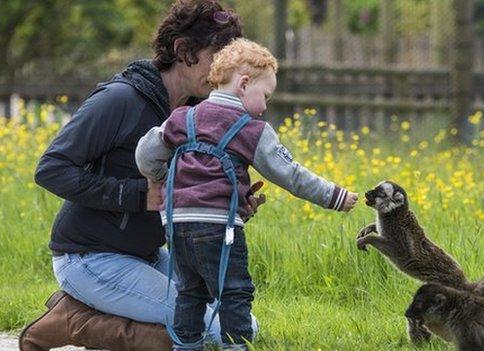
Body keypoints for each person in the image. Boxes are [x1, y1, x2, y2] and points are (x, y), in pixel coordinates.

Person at [20, 1, 264, 350]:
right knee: (208, 333)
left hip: (147, 254)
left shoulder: (199, 114)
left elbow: (189, 191)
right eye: (218, 55)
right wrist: (137, 195)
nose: (226, 69)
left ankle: (94, 314)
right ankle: (73, 322)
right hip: (90, 258)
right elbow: (51, 169)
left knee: (242, 326)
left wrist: (231, 200)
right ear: (183, 50)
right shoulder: (121, 99)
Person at [134, 38, 359, 350]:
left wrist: (165, 177)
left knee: (189, 291)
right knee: (234, 291)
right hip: (218, 228)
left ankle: (185, 346)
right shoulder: (252, 130)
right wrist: (334, 196)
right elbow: (289, 174)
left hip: (177, 223)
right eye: (264, 95)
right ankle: (237, 346)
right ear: (243, 84)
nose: (265, 105)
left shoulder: (183, 117)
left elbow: (145, 154)